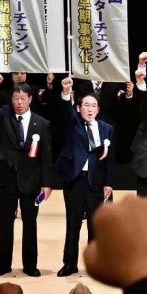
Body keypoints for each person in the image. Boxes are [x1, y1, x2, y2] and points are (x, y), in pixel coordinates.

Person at [0, 74, 53, 277]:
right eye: (15, 98)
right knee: (5, 222)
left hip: (31, 181)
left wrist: (47, 184)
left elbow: (46, 157)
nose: (19, 102)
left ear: (30, 99)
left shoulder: (42, 123)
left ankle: (30, 265)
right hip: (7, 180)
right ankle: (3, 264)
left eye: (23, 98)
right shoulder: (4, 116)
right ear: (11, 99)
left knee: (30, 223)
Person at [55, 78, 114, 277]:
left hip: (96, 182)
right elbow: (66, 111)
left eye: (93, 106)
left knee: (95, 226)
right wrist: (66, 92)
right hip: (75, 180)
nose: (90, 109)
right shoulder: (74, 124)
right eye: (86, 105)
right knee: (73, 224)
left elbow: (110, 159)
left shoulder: (106, 129)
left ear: (98, 109)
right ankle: (69, 264)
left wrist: (109, 183)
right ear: (79, 108)